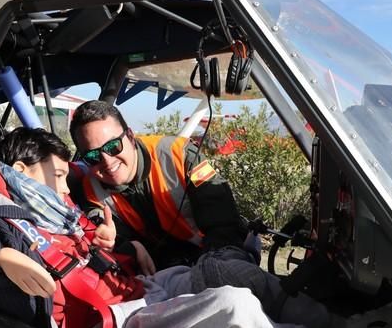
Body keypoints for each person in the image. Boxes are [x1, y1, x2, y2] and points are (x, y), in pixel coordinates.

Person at [0, 128, 392, 328]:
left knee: (227, 270)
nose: (71, 185)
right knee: (234, 304)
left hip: (132, 289)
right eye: (62, 173)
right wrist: (1, 258)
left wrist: (124, 245)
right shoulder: (5, 215)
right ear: (22, 171)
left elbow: (85, 242)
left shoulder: (48, 205)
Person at [69, 100, 255, 271]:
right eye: (93, 156)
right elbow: (108, 237)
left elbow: (223, 221)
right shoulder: (90, 191)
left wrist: (206, 268)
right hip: (160, 275)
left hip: (214, 252)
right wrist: (120, 246)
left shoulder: (181, 155)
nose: (107, 161)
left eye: (113, 147)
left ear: (131, 137)